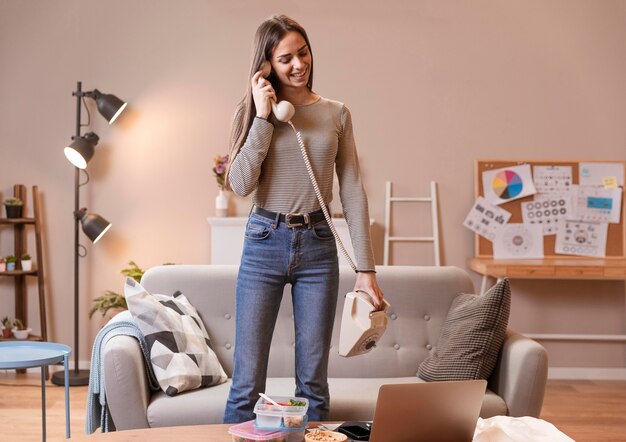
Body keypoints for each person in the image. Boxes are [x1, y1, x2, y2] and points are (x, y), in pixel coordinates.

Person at [223, 14, 385, 424]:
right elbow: (240, 185)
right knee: (246, 381)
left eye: (303, 52)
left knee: (313, 381)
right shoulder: (256, 114)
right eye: (285, 58)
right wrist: (262, 117)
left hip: (317, 243)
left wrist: (366, 270)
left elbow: (352, 191)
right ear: (266, 67)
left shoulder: (337, 113)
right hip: (264, 241)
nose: (298, 64)